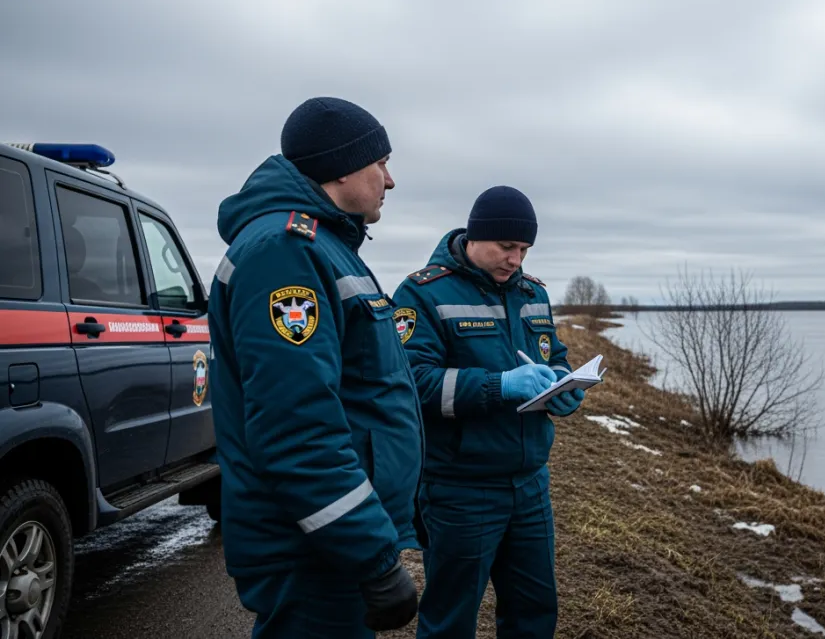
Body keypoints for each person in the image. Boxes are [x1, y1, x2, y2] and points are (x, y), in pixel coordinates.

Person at [208, 96, 425, 638]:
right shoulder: (286, 252)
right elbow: (296, 429)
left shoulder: (325, 245)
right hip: (312, 551)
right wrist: (372, 556)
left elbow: (365, 394)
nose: (390, 180)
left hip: (328, 544)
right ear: (342, 168)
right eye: (381, 163)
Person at [392, 185, 584, 638]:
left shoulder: (532, 292)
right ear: (475, 237)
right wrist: (500, 386)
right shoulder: (423, 293)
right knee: (450, 619)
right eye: (506, 247)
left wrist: (566, 384)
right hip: (461, 488)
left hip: (531, 484)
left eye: (524, 249)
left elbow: (552, 353)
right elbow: (412, 384)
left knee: (534, 612)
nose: (516, 259)